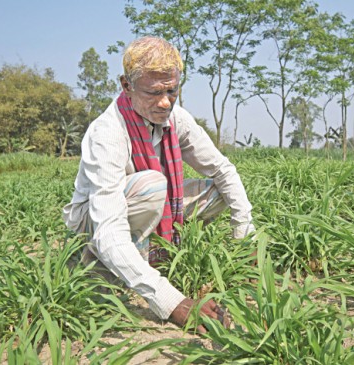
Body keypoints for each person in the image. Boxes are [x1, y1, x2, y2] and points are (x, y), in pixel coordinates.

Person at [62, 36, 255, 333]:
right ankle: (100, 274)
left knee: (217, 191)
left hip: (145, 205)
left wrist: (245, 237)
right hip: (95, 225)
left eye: (172, 90)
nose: (165, 102)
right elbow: (109, 231)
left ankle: (163, 256)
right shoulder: (108, 133)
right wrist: (173, 302)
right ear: (126, 86)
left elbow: (223, 169)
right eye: (154, 92)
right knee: (154, 185)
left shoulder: (176, 119)